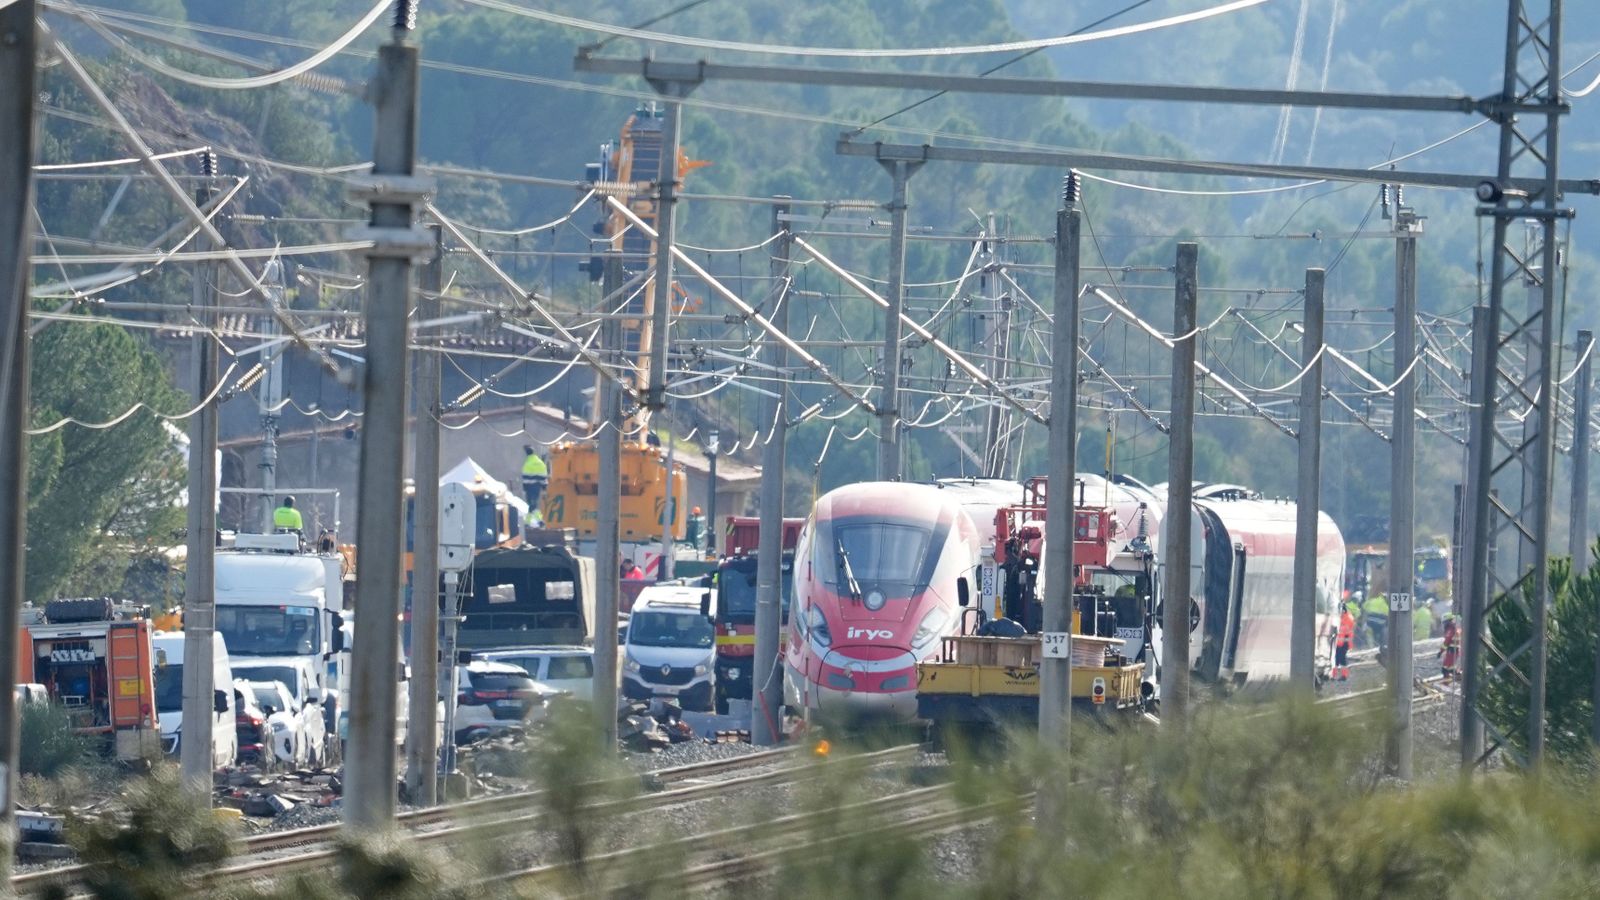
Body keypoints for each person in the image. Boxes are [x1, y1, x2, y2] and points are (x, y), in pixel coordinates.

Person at [520, 445, 549, 512]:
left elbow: (525, 479)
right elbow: (544, 476)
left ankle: (533, 520)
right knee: (534, 504)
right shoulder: (540, 463)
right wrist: (544, 489)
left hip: (530, 488)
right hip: (537, 487)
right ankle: (537, 520)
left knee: (531, 505)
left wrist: (524, 490)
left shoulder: (527, 464)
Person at [1332, 604, 1356, 681]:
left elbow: (1347, 632)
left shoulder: (1347, 619)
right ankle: (1334, 675)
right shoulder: (1342, 617)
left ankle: (1343, 675)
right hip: (1339, 642)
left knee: (1341, 659)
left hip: (1344, 642)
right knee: (1336, 658)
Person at [1439, 613, 1460, 684]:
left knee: (1445, 669)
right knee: (1451, 668)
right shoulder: (1456, 628)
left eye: (1445, 622)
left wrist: (1440, 652)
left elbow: (1446, 642)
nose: (1444, 624)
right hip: (1454, 651)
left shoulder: (1450, 630)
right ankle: (1458, 679)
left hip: (1452, 651)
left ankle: (1446, 683)